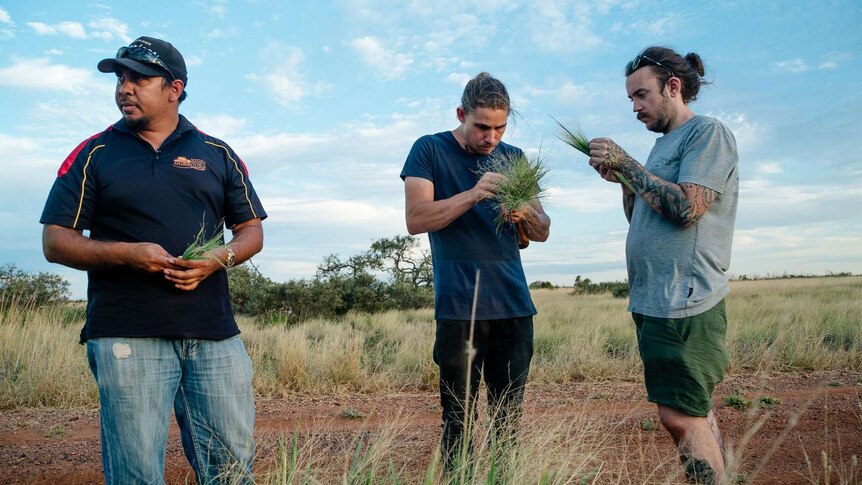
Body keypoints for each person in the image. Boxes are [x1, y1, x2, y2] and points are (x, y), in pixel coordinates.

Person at [39, 36, 266, 485]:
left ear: (174, 88)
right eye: (120, 78)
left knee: (232, 468)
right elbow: (55, 241)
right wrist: (126, 254)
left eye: (139, 78)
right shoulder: (93, 153)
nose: (125, 87)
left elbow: (251, 231)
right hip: (127, 334)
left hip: (214, 334)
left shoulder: (216, 153)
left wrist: (218, 259)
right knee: (136, 472)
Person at [587, 46, 738, 484]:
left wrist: (627, 163)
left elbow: (687, 209)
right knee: (693, 409)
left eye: (641, 95)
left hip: (683, 300)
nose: (635, 106)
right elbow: (642, 217)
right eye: (630, 98)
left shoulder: (707, 134)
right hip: (655, 299)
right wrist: (623, 180)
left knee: (679, 416)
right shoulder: (661, 147)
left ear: (673, 87)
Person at [401, 72, 551, 470]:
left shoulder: (514, 158)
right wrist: (474, 193)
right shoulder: (428, 149)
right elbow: (416, 219)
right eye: (482, 127)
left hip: (514, 305)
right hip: (460, 308)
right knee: (458, 421)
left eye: (500, 128)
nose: (491, 138)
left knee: (507, 420)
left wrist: (527, 217)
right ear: (461, 114)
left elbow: (542, 231)